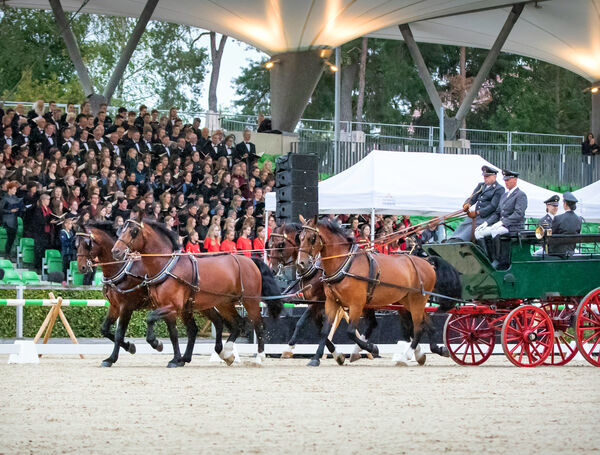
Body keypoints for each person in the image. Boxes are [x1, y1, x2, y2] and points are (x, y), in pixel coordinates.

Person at [475, 170, 527, 270]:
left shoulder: (520, 195)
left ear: (515, 180)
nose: (506, 182)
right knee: (479, 232)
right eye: (505, 180)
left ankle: (499, 259)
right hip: (503, 225)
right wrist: (487, 222)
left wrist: (503, 222)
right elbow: (498, 212)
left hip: (514, 226)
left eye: (508, 180)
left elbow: (518, 213)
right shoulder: (504, 195)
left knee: (495, 230)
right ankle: (487, 258)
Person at [450, 165, 504, 244]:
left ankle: (461, 242)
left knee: (471, 229)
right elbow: (473, 197)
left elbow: (493, 206)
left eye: (487, 176)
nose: (485, 178)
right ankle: (453, 240)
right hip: (475, 216)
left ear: (494, 176)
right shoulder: (481, 186)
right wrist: (467, 204)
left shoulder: (499, 189)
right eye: (484, 176)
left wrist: (477, 213)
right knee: (463, 225)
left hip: (486, 217)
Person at [550, 192, 582, 256]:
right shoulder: (579, 219)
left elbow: (551, 235)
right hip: (571, 251)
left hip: (556, 252)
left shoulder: (558, 218)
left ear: (565, 204)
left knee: (537, 254)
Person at [0, 181, 23, 258]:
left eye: (15, 189)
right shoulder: (5, 198)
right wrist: (10, 211)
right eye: (13, 189)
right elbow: (1, 210)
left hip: (14, 220)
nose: (15, 191)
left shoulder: (15, 198)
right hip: (7, 220)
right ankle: (7, 254)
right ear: (9, 189)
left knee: (12, 238)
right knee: (10, 238)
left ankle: (9, 254)